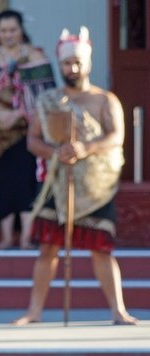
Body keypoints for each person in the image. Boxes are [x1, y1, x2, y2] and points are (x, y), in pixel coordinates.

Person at [14, 27, 138, 326]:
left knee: (101, 248)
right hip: (58, 181)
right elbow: (33, 141)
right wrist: (58, 152)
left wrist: (84, 148)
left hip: (95, 185)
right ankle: (34, 311)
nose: (73, 68)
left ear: (87, 63)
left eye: (78, 63)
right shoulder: (49, 101)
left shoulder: (105, 100)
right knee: (48, 248)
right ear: (61, 65)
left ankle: (118, 311)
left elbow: (115, 137)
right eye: (68, 63)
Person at [0, 9, 56, 249]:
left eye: (12, 30)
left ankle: (27, 238)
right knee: (3, 183)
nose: (8, 35)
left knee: (27, 183)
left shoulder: (37, 58)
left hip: (29, 134)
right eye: (3, 31)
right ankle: (6, 238)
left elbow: (46, 99)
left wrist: (19, 113)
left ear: (21, 30)